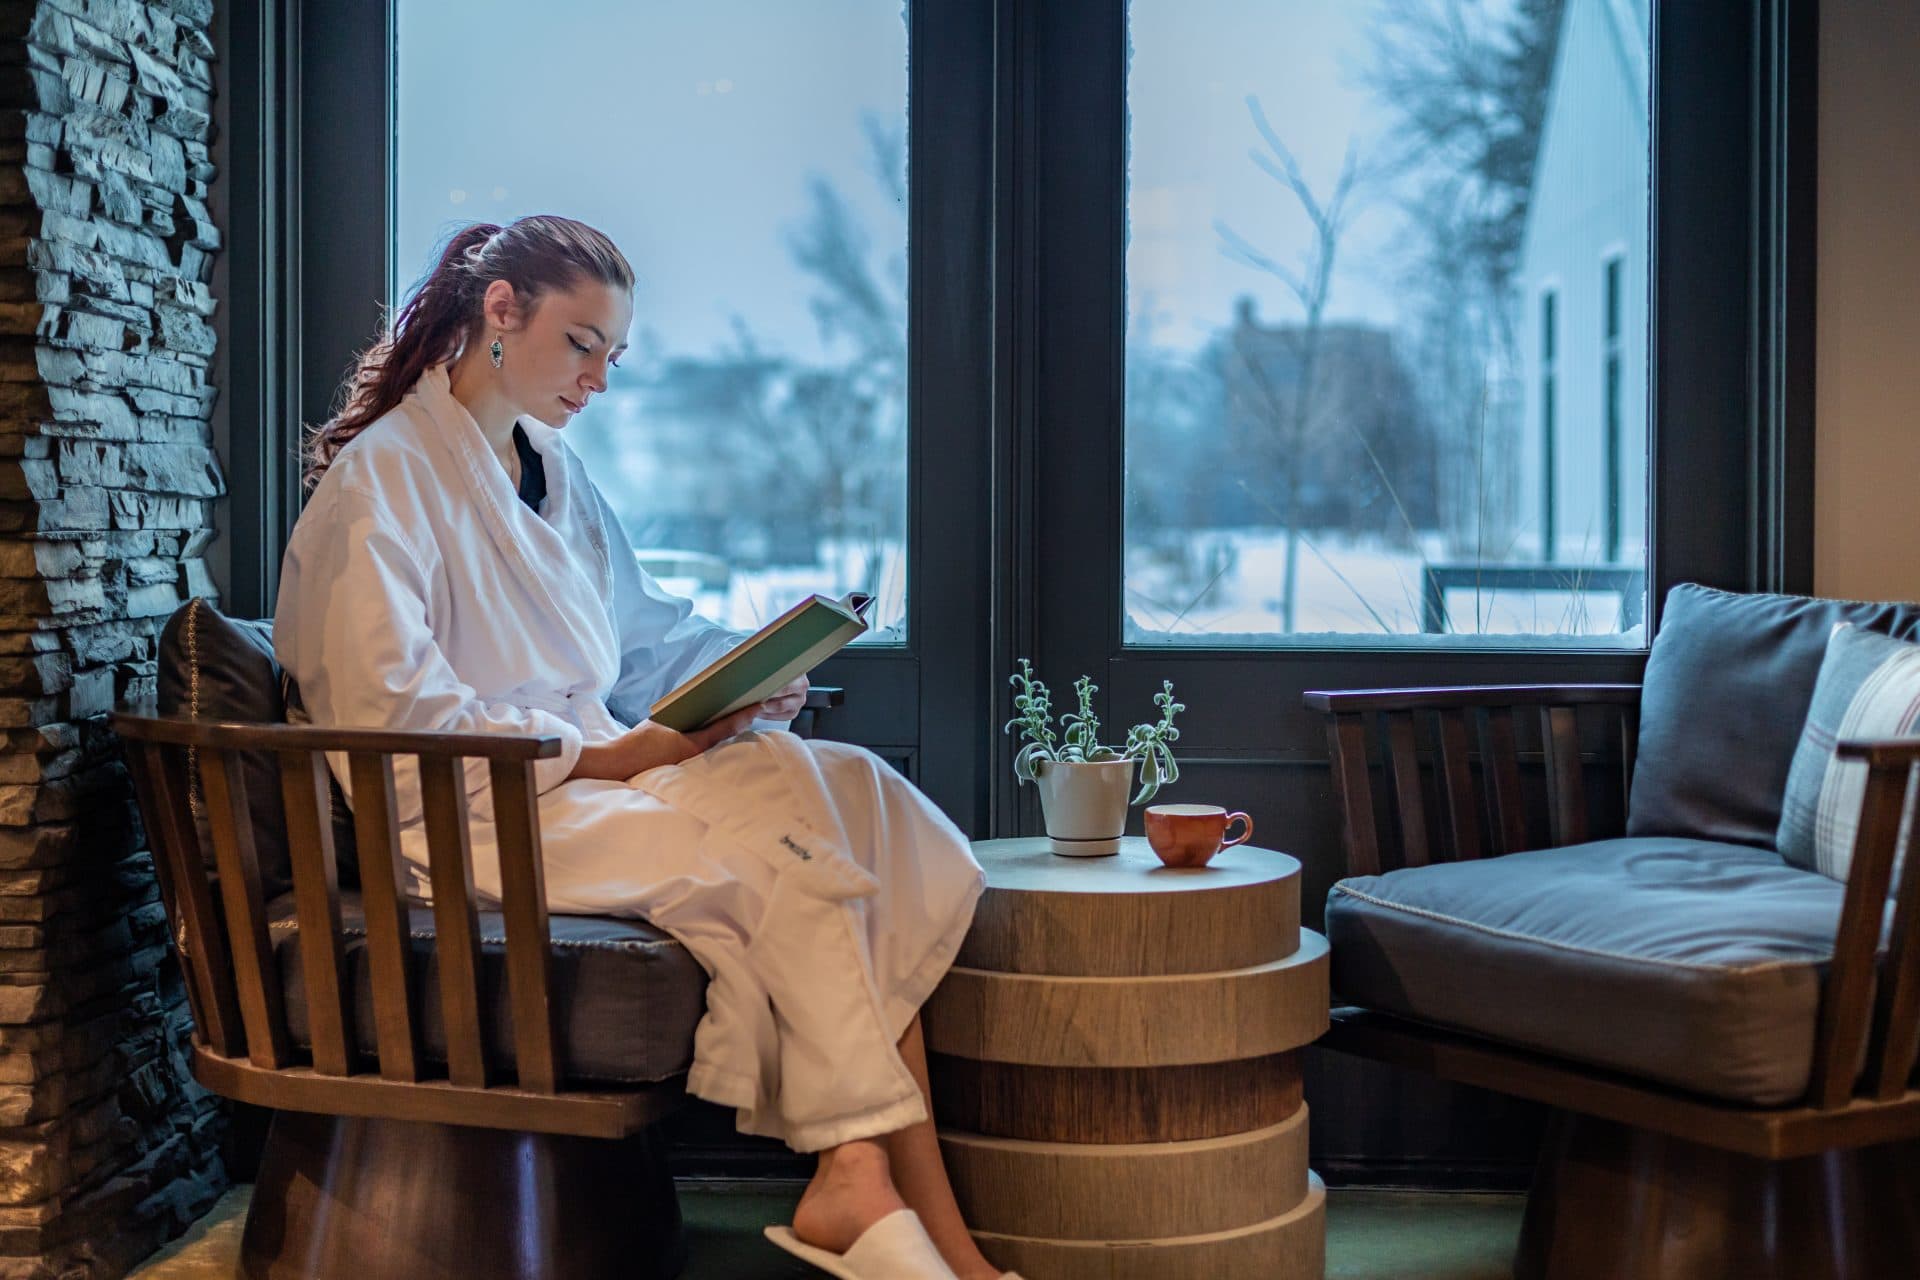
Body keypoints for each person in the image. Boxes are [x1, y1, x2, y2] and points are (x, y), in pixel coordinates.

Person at [274, 215, 1013, 1280]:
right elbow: (392, 712)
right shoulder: (383, 479)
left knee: (848, 792)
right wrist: (606, 758)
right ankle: (883, 1201)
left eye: (614, 357)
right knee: (788, 858)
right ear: (500, 311)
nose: (598, 380)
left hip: (586, 780)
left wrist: (755, 667)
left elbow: (647, 634)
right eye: (582, 344)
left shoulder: (552, 471)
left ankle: (877, 1189)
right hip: (477, 809)